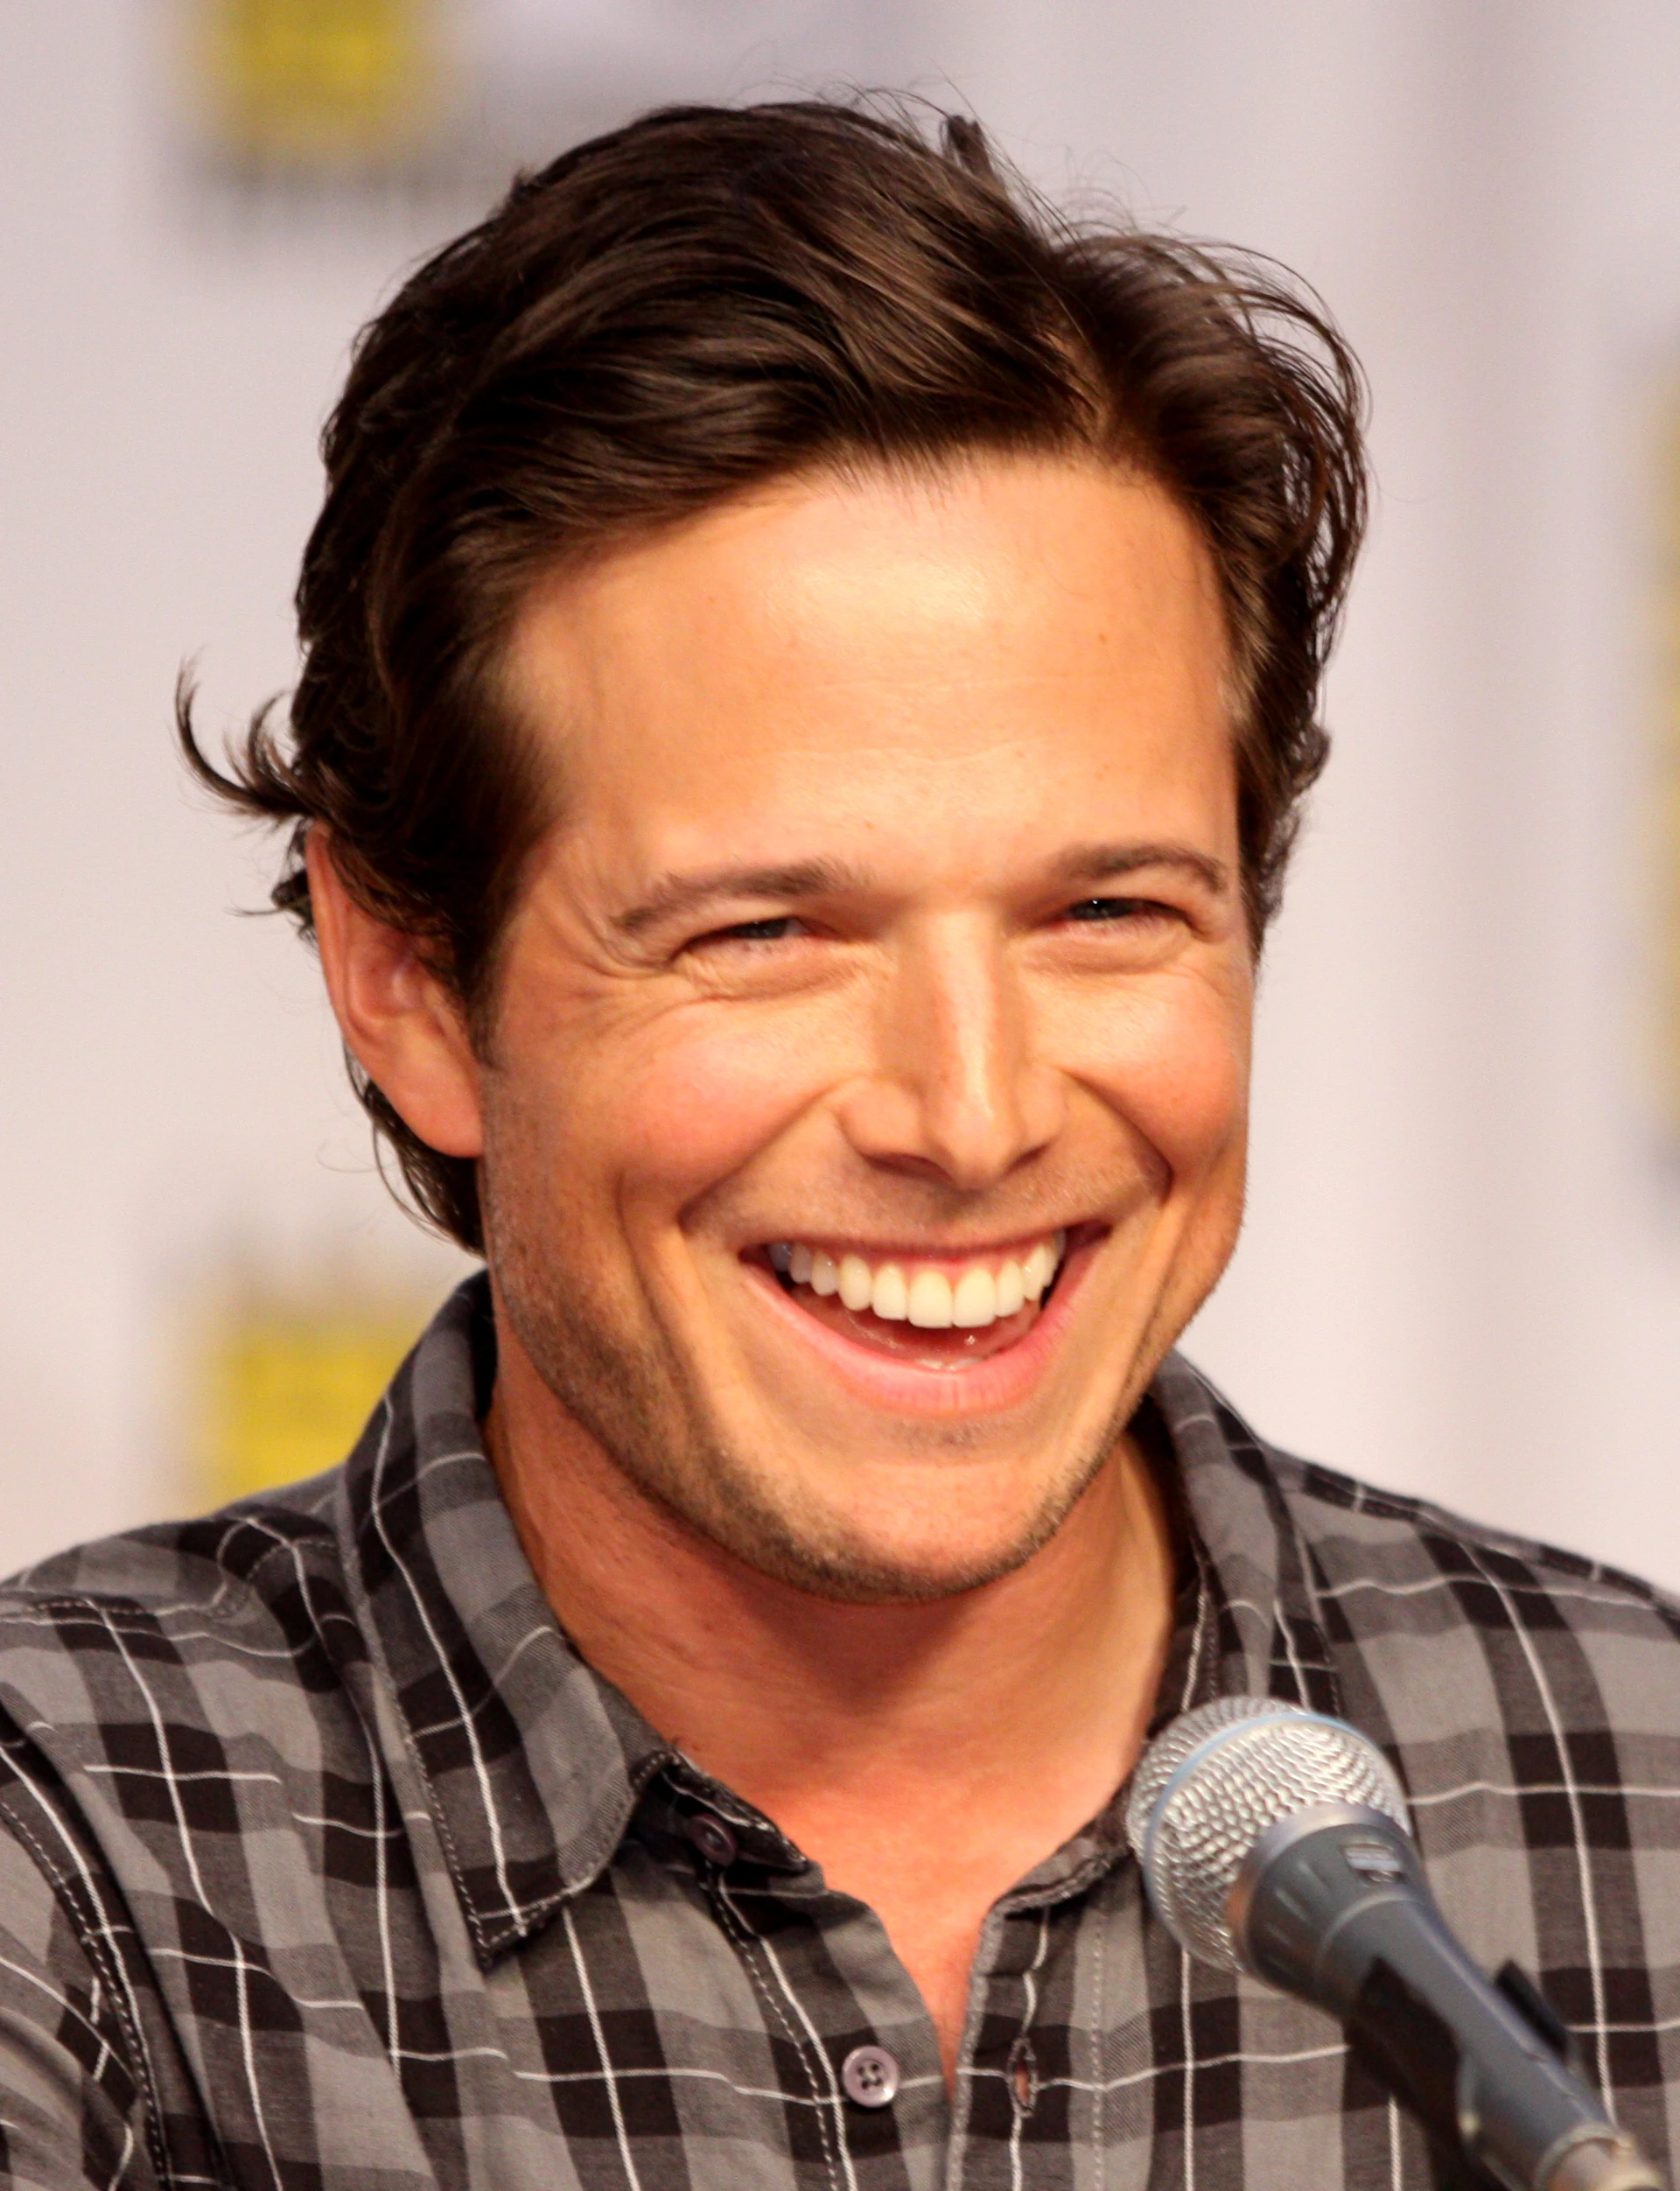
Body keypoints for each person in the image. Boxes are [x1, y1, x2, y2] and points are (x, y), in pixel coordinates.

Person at [1, 97, 1676, 2191]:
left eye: (1105, 910)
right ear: (409, 980)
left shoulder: (1642, 1788)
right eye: (767, 933)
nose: (971, 1116)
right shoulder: (70, 1853)